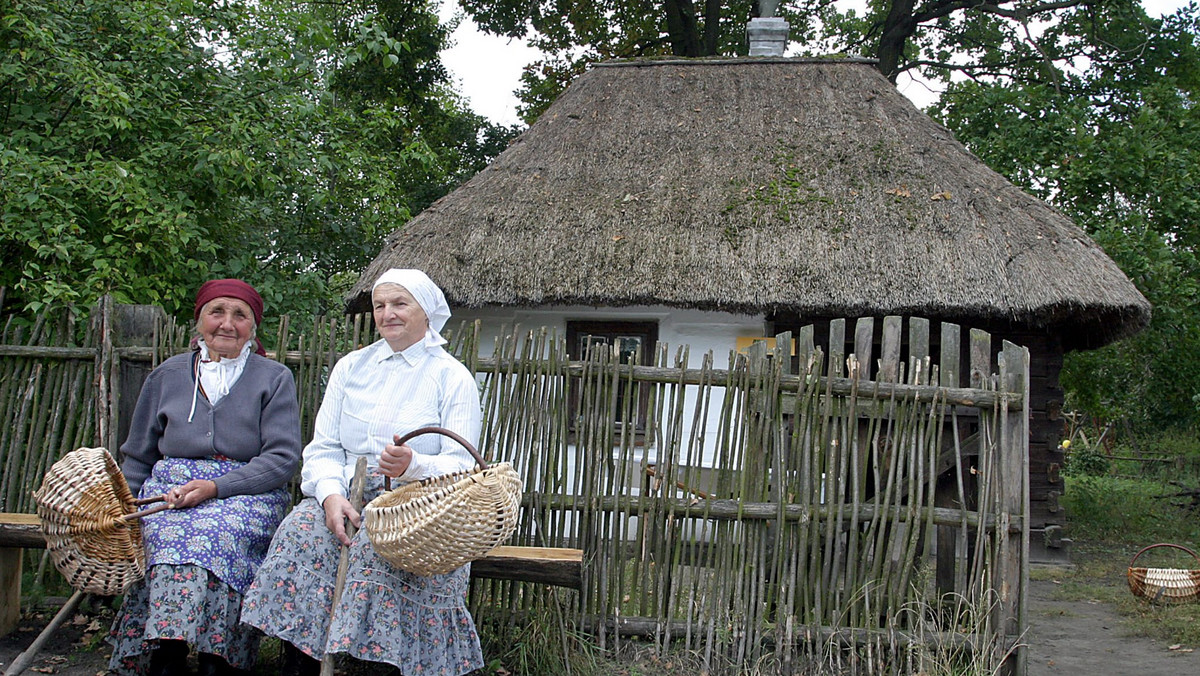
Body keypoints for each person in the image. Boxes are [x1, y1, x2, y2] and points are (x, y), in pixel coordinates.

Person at [241, 269, 484, 676]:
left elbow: (463, 466)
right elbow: (324, 447)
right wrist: (330, 496)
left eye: (399, 304)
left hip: (420, 506)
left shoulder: (451, 377)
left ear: (426, 311)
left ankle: (380, 666)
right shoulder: (352, 367)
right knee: (300, 533)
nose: (387, 314)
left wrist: (414, 465)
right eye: (379, 305)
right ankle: (300, 661)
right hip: (348, 493)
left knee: (377, 551)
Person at [107, 279, 303, 676]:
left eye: (240, 315)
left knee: (221, 533)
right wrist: (123, 505)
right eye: (217, 312)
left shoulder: (274, 377)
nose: (227, 324)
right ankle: (167, 652)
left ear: (254, 326)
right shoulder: (167, 375)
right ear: (198, 321)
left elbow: (283, 459)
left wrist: (217, 488)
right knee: (162, 533)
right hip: (170, 490)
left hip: (247, 491)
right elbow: (138, 455)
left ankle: (219, 657)